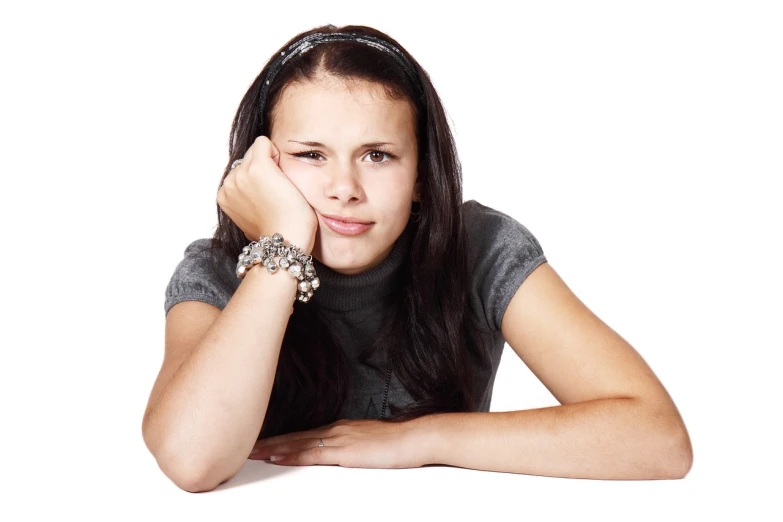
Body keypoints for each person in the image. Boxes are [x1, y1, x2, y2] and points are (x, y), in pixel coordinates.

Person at [141, 24, 693, 492]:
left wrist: (419, 437)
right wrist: (281, 246)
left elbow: (657, 438)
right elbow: (191, 460)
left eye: (377, 155)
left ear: (423, 176)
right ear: (261, 165)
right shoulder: (219, 270)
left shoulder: (482, 247)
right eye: (311, 155)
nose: (344, 188)